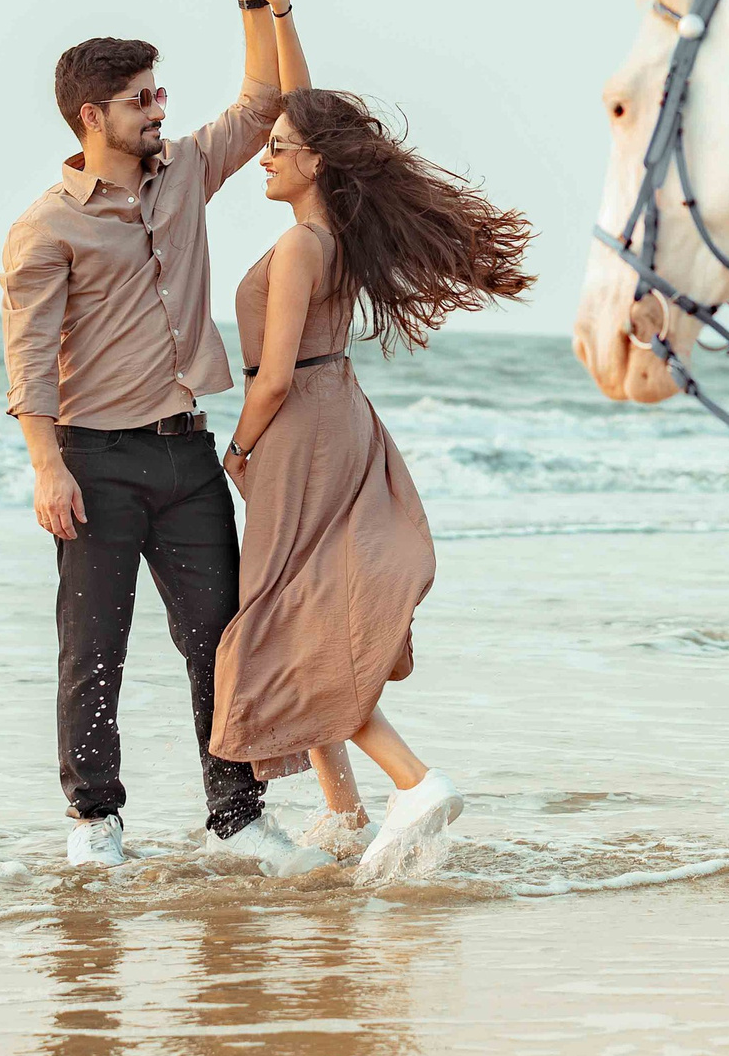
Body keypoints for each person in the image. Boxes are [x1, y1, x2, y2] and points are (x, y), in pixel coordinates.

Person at [0, 0, 330, 876]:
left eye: (159, 94)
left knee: (220, 643)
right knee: (92, 650)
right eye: (140, 100)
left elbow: (263, 99)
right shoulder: (46, 230)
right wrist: (47, 469)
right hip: (94, 461)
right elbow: (28, 361)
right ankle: (95, 823)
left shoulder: (184, 171)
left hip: (187, 456)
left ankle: (237, 818)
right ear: (92, 117)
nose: (158, 109)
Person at [210, 88, 534, 885]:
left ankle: (414, 781)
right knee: (305, 613)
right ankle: (345, 813)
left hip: (300, 429)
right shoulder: (335, 238)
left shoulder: (301, 245)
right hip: (337, 414)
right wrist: (270, 17)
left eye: (279, 146)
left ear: (317, 160)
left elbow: (273, 376)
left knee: (286, 622)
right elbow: (298, 94)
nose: (264, 157)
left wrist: (238, 448)